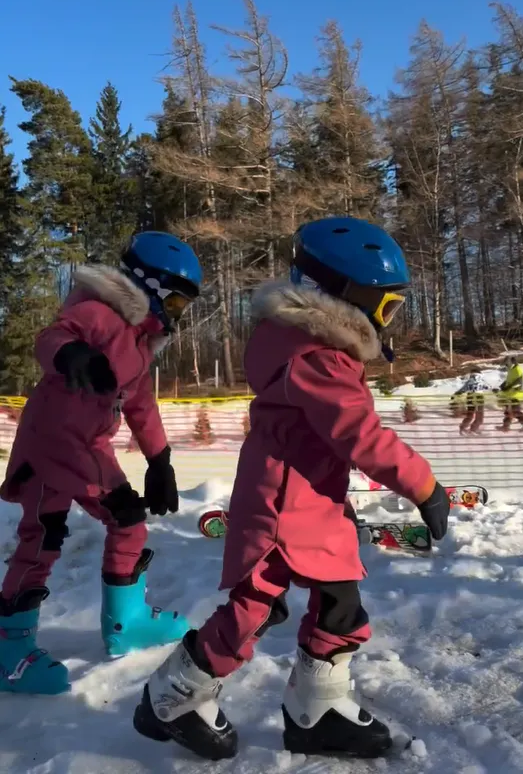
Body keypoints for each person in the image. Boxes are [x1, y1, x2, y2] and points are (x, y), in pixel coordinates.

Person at [133, 216, 450, 762]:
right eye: (387, 307)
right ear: (345, 296)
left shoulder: (302, 347)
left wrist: (340, 504)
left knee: (338, 599)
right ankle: (173, 696)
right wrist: (423, 485)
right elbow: (359, 433)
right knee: (258, 604)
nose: (388, 322)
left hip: (306, 500)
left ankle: (318, 709)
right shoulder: (318, 358)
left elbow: (319, 440)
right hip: (283, 507)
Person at [0, 231, 202, 695]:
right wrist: (73, 354)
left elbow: (141, 405)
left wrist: (160, 460)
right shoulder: (98, 313)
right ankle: (9, 645)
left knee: (110, 524)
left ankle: (125, 621)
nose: (177, 316)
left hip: (87, 446)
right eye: (175, 303)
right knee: (48, 535)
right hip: (53, 442)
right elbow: (52, 337)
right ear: (149, 285)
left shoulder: (138, 344)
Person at [496, 356, 523, 431]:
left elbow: (519, 381)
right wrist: (503, 385)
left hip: (515, 394)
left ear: (512, 362)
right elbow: (509, 380)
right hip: (509, 395)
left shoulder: (517, 370)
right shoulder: (511, 370)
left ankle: (506, 426)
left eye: (507, 363)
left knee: (515, 411)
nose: (506, 365)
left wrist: (509, 387)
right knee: (508, 411)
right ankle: (505, 426)